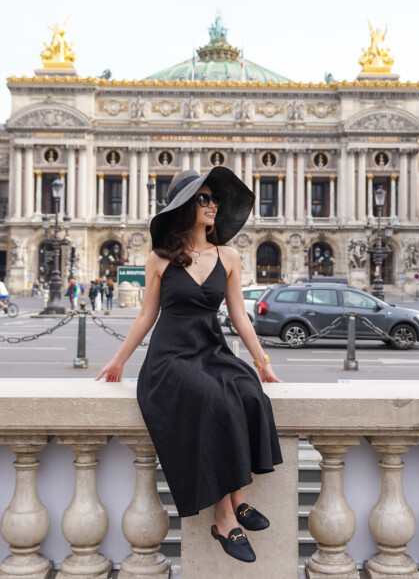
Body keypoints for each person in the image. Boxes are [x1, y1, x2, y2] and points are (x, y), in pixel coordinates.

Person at [95, 167, 281, 564]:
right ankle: (226, 515)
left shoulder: (228, 256)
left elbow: (240, 316)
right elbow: (146, 316)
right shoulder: (160, 258)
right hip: (170, 357)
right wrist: (118, 361)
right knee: (214, 397)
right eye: (203, 198)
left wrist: (262, 361)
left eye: (214, 199)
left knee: (249, 392)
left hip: (210, 349)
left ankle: (237, 496)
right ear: (184, 206)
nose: (212, 205)